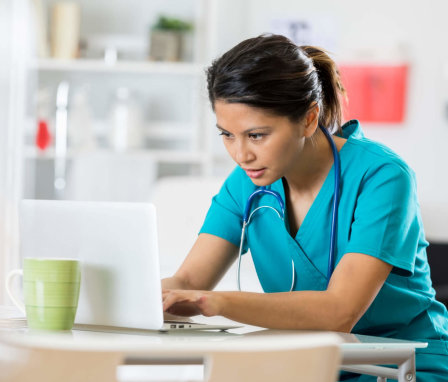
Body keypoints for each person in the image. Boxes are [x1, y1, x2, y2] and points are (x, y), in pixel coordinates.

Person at [162, 34, 448, 380]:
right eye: (226, 135)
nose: (240, 155)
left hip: (402, 363)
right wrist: (147, 295)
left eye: (256, 135)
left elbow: (338, 312)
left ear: (309, 119)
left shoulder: (382, 177)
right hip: (311, 364)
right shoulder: (246, 184)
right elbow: (190, 279)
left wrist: (215, 302)